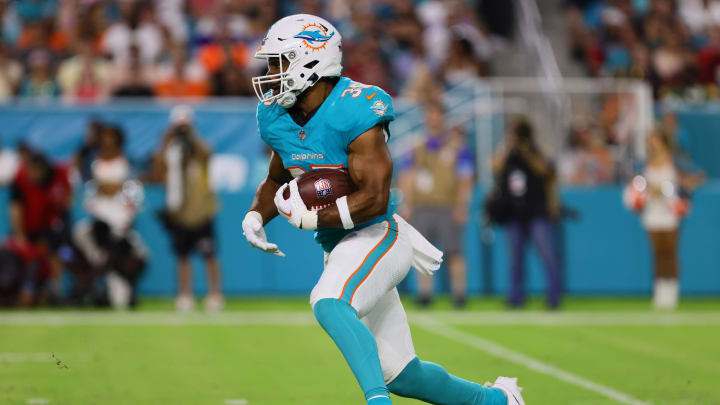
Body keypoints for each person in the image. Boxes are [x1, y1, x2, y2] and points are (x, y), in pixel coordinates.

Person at [241, 14, 524, 405]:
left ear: (310, 60)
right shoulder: (276, 115)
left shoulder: (355, 108)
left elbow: (374, 195)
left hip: (378, 234)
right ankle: (498, 401)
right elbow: (277, 177)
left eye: (279, 62)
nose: (271, 73)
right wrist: (256, 215)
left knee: (328, 301)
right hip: (339, 245)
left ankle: (376, 403)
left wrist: (316, 216)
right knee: (402, 373)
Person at [398, 101, 472, 308]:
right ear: (426, 118)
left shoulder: (458, 147)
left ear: (444, 118)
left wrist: (462, 206)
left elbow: (465, 178)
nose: (434, 119)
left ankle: (459, 295)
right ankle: (425, 294)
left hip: (447, 205)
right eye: (431, 115)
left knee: (454, 252)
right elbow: (406, 176)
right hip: (422, 206)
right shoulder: (415, 145)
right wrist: (407, 204)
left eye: (437, 115)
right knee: (421, 254)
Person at [153, 105, 223, 312]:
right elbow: (159, 171)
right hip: (179, 209)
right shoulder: (171, 150)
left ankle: (215, 294)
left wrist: (190, 136)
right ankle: (185, 294)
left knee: (209, 254)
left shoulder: (198, 147)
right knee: (182, 255)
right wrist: (165, 142)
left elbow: (207, 154)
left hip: (201, 209)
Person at [70, 124, 147, 308]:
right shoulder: (91, 164)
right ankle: (90, 286)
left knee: (120, 299)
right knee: (81, 234)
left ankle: (117, 285)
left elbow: (133, 198)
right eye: (104, 138)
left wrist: (125, 221)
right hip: (98, 227)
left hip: (120, 228)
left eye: (111, 138)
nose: (107, 142)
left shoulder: (129, 165)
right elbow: (83, 189)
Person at [492, 120, 562, 309]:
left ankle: (553, 297)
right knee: (515, 259)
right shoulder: (509, 155)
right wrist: (508, 147)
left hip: (536, 213)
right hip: (514, 214)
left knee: (547, 255)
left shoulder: (536, 152)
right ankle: (516, 297)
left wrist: (527, 151)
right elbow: (495, 166)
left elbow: (545, 170)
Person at [8, 151, 72, 305]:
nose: (32, 174)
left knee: (60, 252)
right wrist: (19, 235)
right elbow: (16, 208)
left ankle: (56, 291)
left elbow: (67, 203)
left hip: (51, 228)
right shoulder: (20, 178)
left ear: (44, 169)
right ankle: (23, 291)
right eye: (30, 170)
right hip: (28, 229)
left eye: (36, 171)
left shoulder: (59, 175)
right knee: (25, 257)